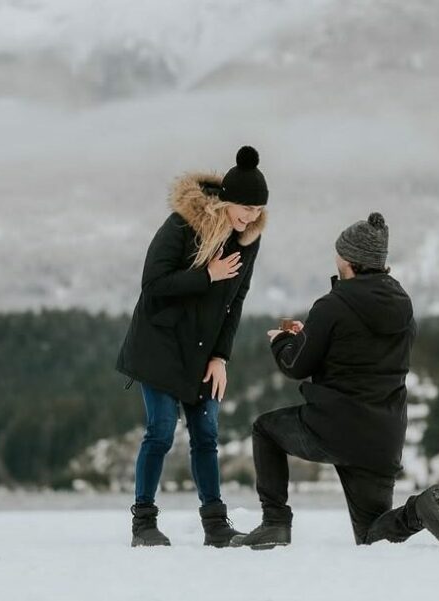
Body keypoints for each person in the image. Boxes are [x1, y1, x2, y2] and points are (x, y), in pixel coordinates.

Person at [231, 212, 439, 549]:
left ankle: (274, 524)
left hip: (334, 427)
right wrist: (311, 336)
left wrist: (281, 342)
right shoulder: (403, 307)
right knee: (373, 536)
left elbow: (295, 366)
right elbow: (362, 354)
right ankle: (419, 509)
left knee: (265, 430)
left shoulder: (333, 305)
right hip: (382, 437)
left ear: (349, 260)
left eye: (339, 254)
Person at [116, 146, 269, 547]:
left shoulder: (248, 240)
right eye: (245, 207)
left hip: (203, 352)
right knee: (161, 432)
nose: (250, 216)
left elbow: (235, 303)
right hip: (160, 345)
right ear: (227, 200)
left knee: (206, 434)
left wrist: (221, 356)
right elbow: (154, 286)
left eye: (258, 209)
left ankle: (215, 526)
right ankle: (143, 524)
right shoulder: (182, 225)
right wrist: (208, 275)